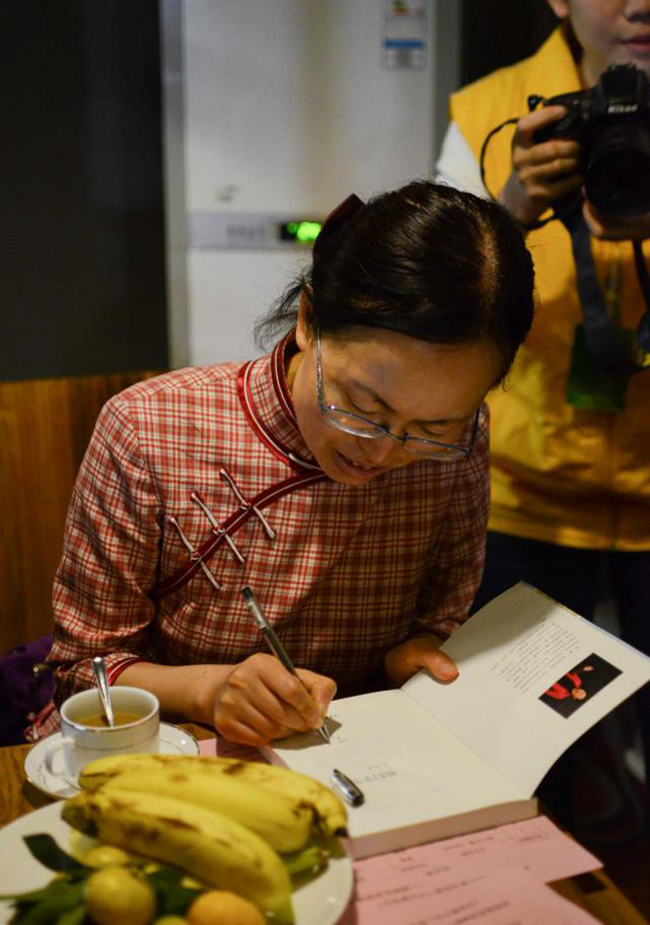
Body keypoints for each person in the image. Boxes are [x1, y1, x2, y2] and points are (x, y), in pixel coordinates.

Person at [47, 180, 534, 747]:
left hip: (360, 749)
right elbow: (84, 669)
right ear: (308, 319)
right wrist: (211, 691)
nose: (382, 451)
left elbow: (438, 620)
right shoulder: (152, 428)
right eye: (361, 405)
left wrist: (418, 653)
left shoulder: (463, 442)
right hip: (176, 750)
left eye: (431, 429)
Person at [436, 0, 650, 812]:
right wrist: (510, 209)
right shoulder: (491, 115)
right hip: (520, 494)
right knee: (510, 757)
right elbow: (434, 304)